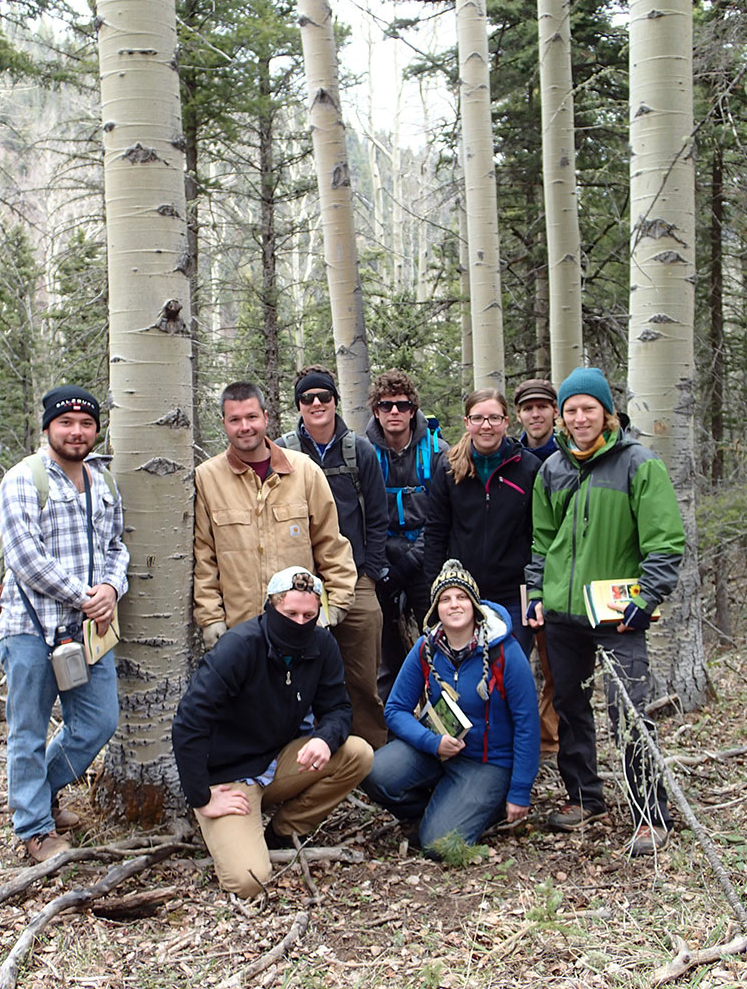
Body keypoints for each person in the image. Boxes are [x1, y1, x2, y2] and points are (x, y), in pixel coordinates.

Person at [525, 367, 685, 856]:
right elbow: (543, 542)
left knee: (629, 712)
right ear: (562, 415)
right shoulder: (553, 469)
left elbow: (665, 541)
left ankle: (650, 814)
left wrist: (646, 599)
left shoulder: (639, 464)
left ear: (606, 413)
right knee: (570, 706)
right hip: (563, 615)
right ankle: (584, 797)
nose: (579, 418)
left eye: (587, 409)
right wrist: (536, 593)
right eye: (570, 410)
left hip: (619, 617)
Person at [172, 567, 374, 899]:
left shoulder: (322, 645)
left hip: (278, 760)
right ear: (271, 606)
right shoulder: (239, 647)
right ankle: (223, 829)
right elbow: (189, 722)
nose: (300, 622)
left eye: (309, 614)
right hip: (230, 776)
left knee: (358, 753)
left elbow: (338, 707)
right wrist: (201, 797)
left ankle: (283, 830)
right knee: (249, 881)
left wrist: (325, 738)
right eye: (290, 613)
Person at [0, 385, 129, 862]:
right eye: (66, 423)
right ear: (48, 427)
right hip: (31, 629)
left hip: (89, 631)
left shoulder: (102, 482)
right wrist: (85, 596)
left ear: (96, 430)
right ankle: (33, 829)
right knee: (27, 731)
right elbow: (25, 557)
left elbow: (117, 547)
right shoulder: (23, 480)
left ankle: (38, 793)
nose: (77, 432)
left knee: (97, 722)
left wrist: (112, 589)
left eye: (86, 424)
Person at [362, 560, 539, 857]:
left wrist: (520, 791)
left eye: (462, 597)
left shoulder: (505, 653)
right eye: (445, 599)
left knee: (437, 846)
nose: (454, 605)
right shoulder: (425, 647)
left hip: (487, 763)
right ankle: (435, 811)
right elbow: (395, 709)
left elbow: (527, 725)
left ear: (475, 605)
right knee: (374, 772)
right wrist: (432, 742)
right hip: (435, 751)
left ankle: (477, 808)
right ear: (435, 609)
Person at [193, 381, 357, 646]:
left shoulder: (304, 471)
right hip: (238, 632)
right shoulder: (207, 478)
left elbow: (331, 545)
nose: (244, 427)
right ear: (224, 423)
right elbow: (204, 558)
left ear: (265, 418)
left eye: (251, 417)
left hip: (301, 625)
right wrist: (211, 619)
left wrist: (332, 608)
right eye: (235, 419)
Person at [277, 366, 389, 749]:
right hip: (300, 585)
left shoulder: (360, 451)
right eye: (308, 398)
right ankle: (307, 751)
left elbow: (377, 517)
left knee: (362, 674)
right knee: (299, 672)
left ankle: (372, 752)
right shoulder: (284, 451)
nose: (317, 404)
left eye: (324, 396)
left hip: (355, 578)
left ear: (335, 402)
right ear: (299, 406)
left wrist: (370, 574)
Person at [423, 388, 540, 658]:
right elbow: (435, 533)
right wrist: (436, 590)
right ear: (467, 423)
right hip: (462, 591)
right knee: (467, 669)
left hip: (514, 591)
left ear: (507, 422)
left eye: (494, 418)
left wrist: (536, 590)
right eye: (477, 418)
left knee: (510, 668)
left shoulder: (528, 468)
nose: (486, 426)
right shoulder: (448, 468)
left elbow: (539, 535)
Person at [365, 368, 449, 701]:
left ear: (413, 409)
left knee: (438, 641)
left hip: (425, 559)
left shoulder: (438, 451)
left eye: (401, 405)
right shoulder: (363, 452)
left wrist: (411, 561)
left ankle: (442, 716)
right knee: (385, 654)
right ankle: (391, 724)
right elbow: (361, 515)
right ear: (376, 411)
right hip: (381, 559)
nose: (394, 412)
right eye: (386, 406)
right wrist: (382, 564)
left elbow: (444, 517)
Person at [513, 378, 560, 760]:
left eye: (542, 406)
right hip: (520, 578)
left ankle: (551, 742)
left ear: (554, 412)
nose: (536, 414)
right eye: (529, 408)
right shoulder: (511, 457)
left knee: (557, 666)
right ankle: (522, 742)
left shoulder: (570, 455)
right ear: (519, 415)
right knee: (515, 663)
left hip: (562, 575)